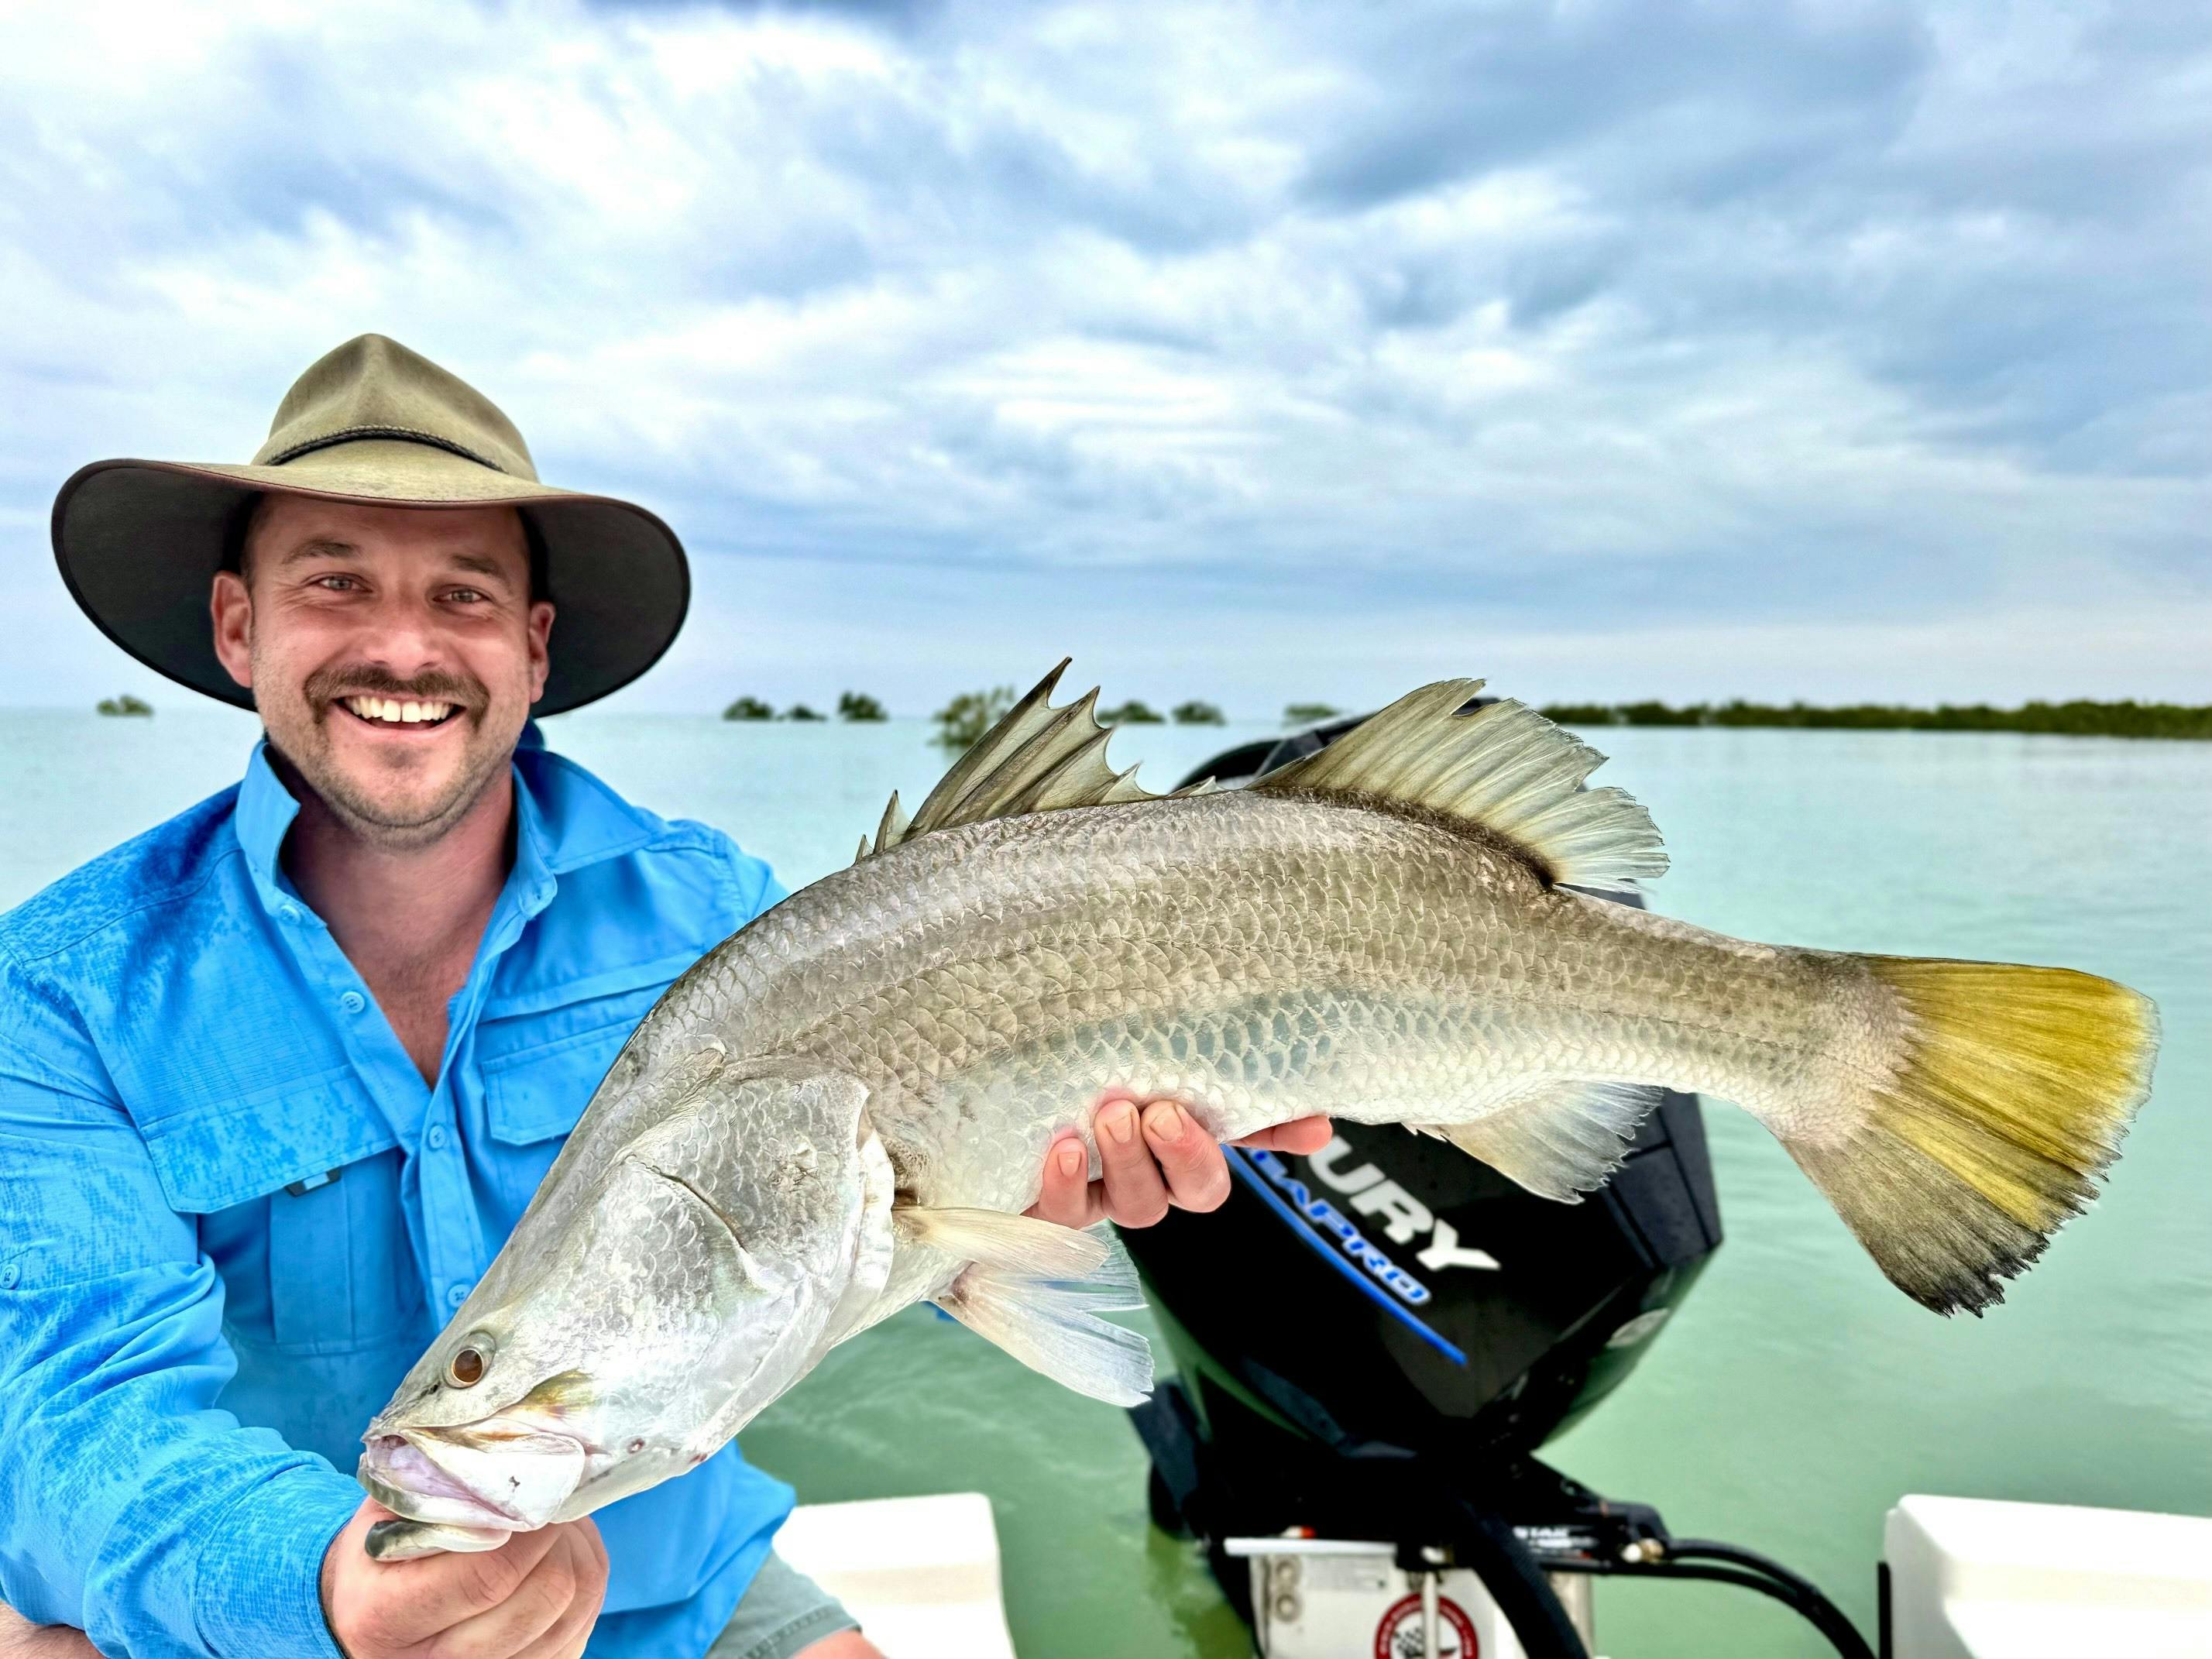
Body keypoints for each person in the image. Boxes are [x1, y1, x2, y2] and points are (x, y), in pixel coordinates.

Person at [0, 336, 1331, 1659]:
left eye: (462, 595)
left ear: (532, 646)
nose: (401, 647)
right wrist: (329, 1586)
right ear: (241, 624)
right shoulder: (60, 989)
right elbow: (78, 1409)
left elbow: (886, 1226)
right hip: (260, 1613)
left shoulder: (715, 915)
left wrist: (1035, 1187)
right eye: (336, 581)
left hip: (682, 1597)